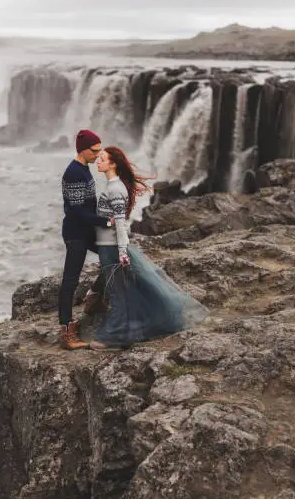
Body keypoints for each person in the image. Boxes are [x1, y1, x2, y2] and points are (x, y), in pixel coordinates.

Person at [89, 146, 209, 350]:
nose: (98, 161)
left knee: (118, 292)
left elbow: (120, 222)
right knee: (127, 288)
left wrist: (122, 252)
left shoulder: (115, 189)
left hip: (111, 244)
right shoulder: (114, 186)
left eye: (102, 158)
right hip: (107, 243)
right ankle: (128, 329)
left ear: (113, 164)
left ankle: (116, 337)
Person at [58, 129, 113, 350]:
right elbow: (77, 212)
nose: (98, 155)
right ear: (82, 150)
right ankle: (66, 331)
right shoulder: (73, 172)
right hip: (76, 234)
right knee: (70, 282)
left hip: (88, 230)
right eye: (95, 151)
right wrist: (106, 221)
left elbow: (88, 205)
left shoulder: (84, 169)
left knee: (114, 258)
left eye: (100, 150)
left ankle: (94, 296)